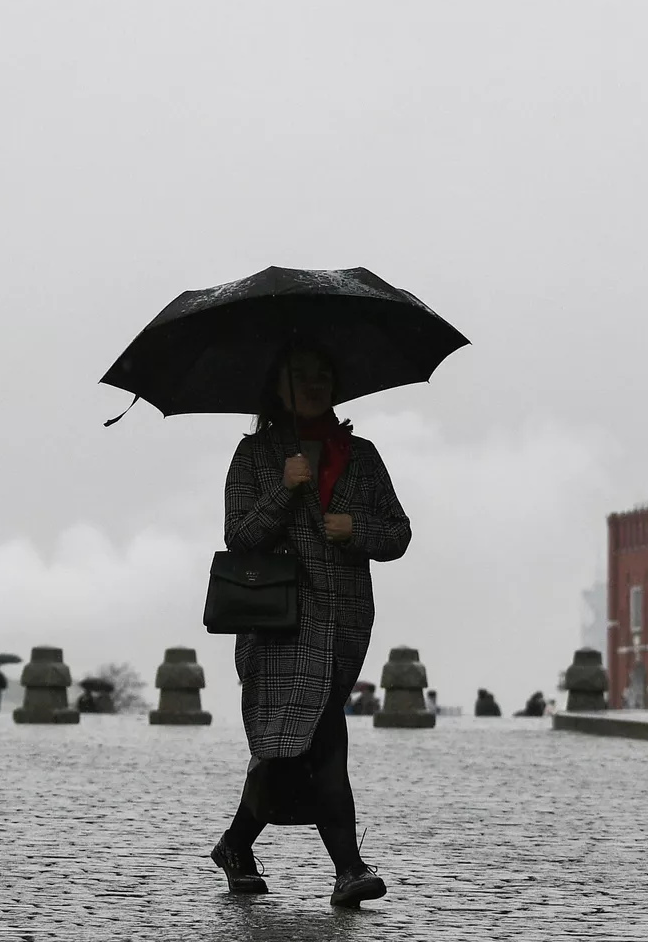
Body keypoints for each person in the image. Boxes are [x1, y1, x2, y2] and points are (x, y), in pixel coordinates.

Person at [211, 344, 412, 909]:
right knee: (324, 741)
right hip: (276, 626)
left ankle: (235, 845)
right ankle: (348, 869)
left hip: (342, 626)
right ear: (278, 387)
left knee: (288, 749)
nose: (315, 383)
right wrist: (285, 487)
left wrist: (357, 528)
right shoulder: (254, 455)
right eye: (302, 375)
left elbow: (398, 533)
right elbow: (240, 536)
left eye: (324, 373)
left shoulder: (362, 457)